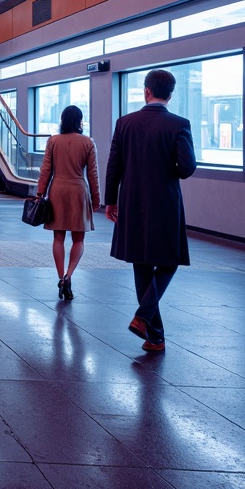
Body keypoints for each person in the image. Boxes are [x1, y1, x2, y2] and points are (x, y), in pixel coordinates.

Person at [105, 69, 197, 352]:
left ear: (146, 91)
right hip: (165, 203)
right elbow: (187, 168)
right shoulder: (179, 124)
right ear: (170, 94)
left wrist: (111, 201)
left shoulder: (125, 123)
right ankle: (145, 318)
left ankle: (154, 337)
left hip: (131, 201)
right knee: (169, 261)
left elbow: (114, 166)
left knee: (141, 262)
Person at [35, 105, 100, 301]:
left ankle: (59, 275)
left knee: (58, 238)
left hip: (58, 190)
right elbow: (93, 174)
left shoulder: (53, 141)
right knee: (78, 239)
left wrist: (40, 193)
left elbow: (46, 170)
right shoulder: (88, 142)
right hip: (79, 190)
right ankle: (69, 276)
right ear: (80, 121)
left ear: (62, 120)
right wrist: (96, 198)